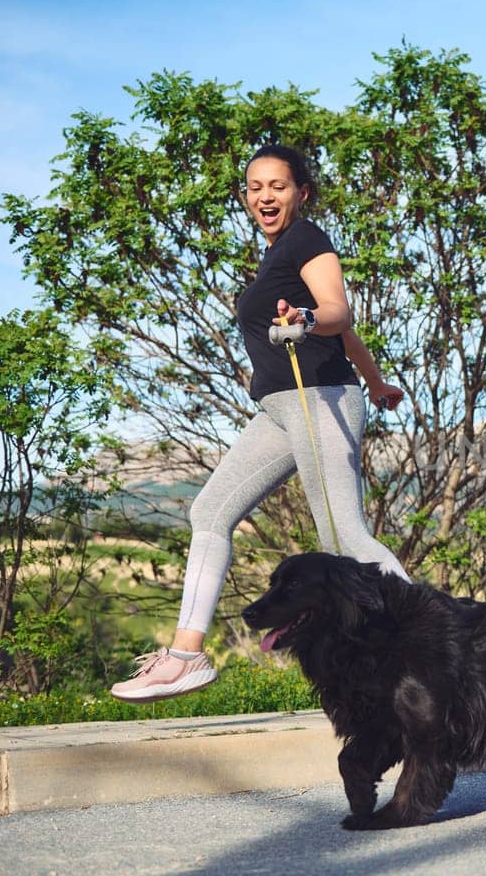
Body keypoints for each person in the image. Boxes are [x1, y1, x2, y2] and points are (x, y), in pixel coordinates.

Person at [112, 143, 409, 702]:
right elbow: (346, 336)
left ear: (302, 192)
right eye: (254, 187)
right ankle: (185, 657)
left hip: (318, 399)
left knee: (343, 536)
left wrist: (308, 319)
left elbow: (338, 312)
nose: (264, 196)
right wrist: (376, 381)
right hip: (280, 407)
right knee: (209, 512)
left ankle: (438, 648)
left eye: (277, 185)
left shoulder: (308, 241)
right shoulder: (277, 255)